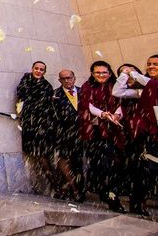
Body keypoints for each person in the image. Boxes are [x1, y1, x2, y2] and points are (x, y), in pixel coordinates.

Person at [78, 61, 126, 212]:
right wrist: (102, 114)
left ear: (110, 73)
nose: (101, 75)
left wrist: (117, 114)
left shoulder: (115, 85)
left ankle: (112, 190)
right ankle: (109, 194)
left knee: (117, 162)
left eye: (104, 72)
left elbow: (121, 102)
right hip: (97, 131)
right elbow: (87, 105)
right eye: (97, 72)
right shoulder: (87, 86)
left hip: (116, 130)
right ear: (92, 74)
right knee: (103, 164)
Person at [114, 58, 157, 216]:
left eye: (155, 64)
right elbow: (117, 92)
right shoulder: (140, 91)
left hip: (152, 133)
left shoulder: (150, 84)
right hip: (139, 134)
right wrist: (125, 74)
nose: (151, 66)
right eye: (149, 64)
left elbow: (150, 83)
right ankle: (138, 202)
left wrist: (131, 71)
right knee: (142, 171)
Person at [17, 61, 57, 195]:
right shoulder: (25, 81)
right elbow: (22, 96)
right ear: (32, 69)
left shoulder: (46, 85)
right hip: (31, 124)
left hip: (44, 124)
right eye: (36, 69)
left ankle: (55, 185)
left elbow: (47, 104)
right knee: (39, 156)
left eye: (41, 70)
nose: (38, 71)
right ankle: (54, 185)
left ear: (44, 72)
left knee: (44, 155)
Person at [51, 69, 83, 201]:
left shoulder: (83, 92)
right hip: (64, 134)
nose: (67, 80)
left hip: (82, 133)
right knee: (64, 161)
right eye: (63, 79)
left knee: (79, 162)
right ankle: (73, 188)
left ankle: (78, 188)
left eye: (69, 78)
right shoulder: (55, 95)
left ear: (74, 78)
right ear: (59, 81)